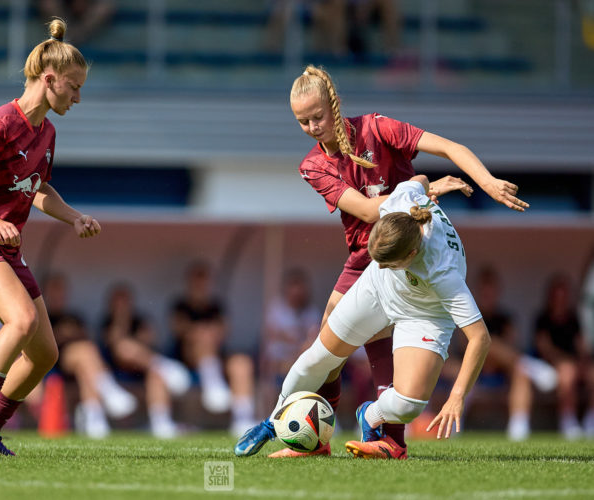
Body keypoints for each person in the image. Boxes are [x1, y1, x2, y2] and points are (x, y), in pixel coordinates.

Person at [235, 64, 528, 459]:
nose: (312, 127)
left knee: (379, 353)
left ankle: (387, 438)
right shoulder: (313, 165)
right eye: (302, 121)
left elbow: (451, 149)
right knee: (326, 356)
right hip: (366, 257)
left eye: (317, 116)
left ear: (334, 107)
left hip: (408, 252)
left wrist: (488, 182)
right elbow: (371, 213)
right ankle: (306, 434)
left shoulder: (377, 127)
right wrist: (421, 187)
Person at [237, 177, 492, 459]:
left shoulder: (443, 272)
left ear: (412, 253)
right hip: (377, 289)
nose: (380, 264)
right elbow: (416, 180)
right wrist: (430, 186)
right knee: (318, 358)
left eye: (386, 261)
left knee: (409, 405)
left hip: (425, 313)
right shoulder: (400, 201)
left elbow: (479, 337)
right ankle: (272, 423)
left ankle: (369, 415)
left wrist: (457, 397)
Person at [0, 18, 99, 459]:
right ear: (49, 79)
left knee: (45, 353)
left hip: (5, 248)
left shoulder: (46, 132)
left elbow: (38, 189)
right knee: (21, 320)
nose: (78, 97)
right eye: (73, 87)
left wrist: (74, 217)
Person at [444, 267, 557, 441]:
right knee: (483, 342)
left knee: (519, 370)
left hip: (500, 369)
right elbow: (464, 344)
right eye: (484, 292)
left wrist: (493, 358)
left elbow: (512, 346)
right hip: (471, 367)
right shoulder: (468, 314)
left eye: (491, 292)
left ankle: (519, 428)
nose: (488, 296)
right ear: (478, 292)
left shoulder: (505, 319)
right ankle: (530, 364)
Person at [43, 273, 137, 439]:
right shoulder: (43, 315)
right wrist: (60, 334)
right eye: (54, 290)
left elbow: (87, 337)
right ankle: (107, 389)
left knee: (86, 361)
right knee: (85, 354)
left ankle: (95, 421)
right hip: (54, 361)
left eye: (61, 290)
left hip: (79, 362)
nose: (59, 295)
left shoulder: (74, 316)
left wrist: (72, 333)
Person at [170, 261, 256, 437]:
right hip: (188, 361)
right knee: (202, 337)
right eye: (197, 280)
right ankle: (212, 383)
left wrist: (208, 333)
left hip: (217, 357)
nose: (201, 285)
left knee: (241, 362)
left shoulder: (216, 306)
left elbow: (223, 331)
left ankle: (243, 420)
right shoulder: (180, 305)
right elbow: (179, 329)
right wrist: (201, 332)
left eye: (204, 281)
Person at [100, 283, 191, 438]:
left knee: (156, 374)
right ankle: (164, 365)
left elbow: (150, 340)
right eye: (118, 301)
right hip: (116, 372)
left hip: (142, 369)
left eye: (125, 301)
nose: (122, 305)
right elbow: (115, 344)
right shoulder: (108, 322)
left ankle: (161, 424)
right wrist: (121, 318)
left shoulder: (140, 320)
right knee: (124, 348)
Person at [534, 274, 594, 439]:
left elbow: (581, 345)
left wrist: (583, 359)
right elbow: (545, 349)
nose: (561, 300)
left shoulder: (573, 319)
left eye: (564, 295)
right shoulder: (543, 319)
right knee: (568, 372)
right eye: (557, 296)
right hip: (550, 366)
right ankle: (568, 421)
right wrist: (566, 360)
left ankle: (591, 421)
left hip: (574, 363)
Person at [37, 0, 116, 45]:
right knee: (48, 3)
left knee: (104, 8)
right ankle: (65, 33)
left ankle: (76, 35)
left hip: (88, 12)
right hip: (63, 7)